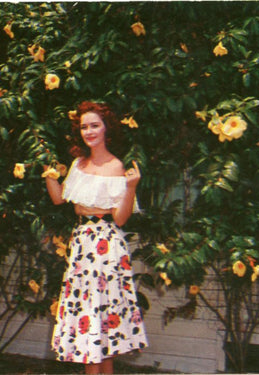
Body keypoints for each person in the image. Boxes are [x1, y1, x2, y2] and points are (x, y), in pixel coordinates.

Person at [44, 101, 148, 374]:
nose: (89, 131)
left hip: (105, 245)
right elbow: (59, 198)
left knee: (100, 321)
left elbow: (121, 218)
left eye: (94, 125)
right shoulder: (78, 164)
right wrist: (49, 175)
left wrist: (131, 187)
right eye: (84, 127)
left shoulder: (116, 166)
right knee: (93, 322)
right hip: (81, 244)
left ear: (106, 128)